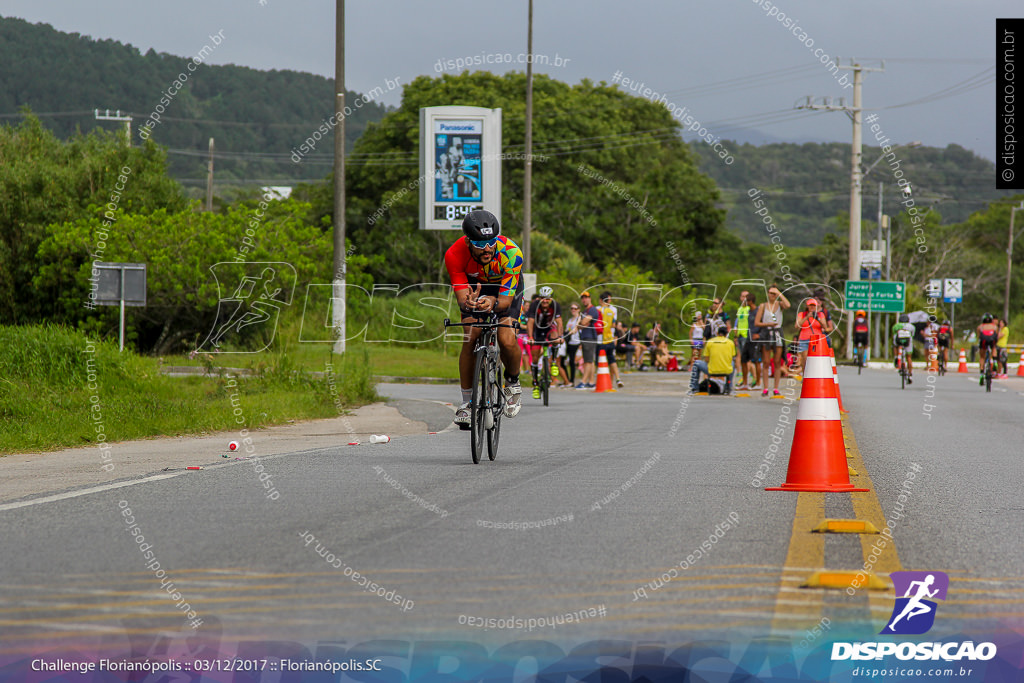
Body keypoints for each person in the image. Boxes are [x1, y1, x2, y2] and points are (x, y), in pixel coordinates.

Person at [444, 210, 524, 428]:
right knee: (471, 337)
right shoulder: (455, 254)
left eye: (491, 242)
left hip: (505, 291)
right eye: (480, 244)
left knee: (507, 339)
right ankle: (467, 403)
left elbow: (505, 303)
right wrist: (468, 303)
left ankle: (513, 383)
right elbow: (462, 298)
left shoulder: (511, 253)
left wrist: (494, 301)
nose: (487, 248)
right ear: (469, 242)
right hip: (475, 290)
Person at [526, 285, 563, 398]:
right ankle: (536, 384)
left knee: (555, 336)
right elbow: (530, 322)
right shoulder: (534, 305)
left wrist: (560, 336)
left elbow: (559, 322)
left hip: (549, 328)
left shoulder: (555, 305)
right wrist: (530, 337)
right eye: (543, 298)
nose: (545, 300)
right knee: (535, 358)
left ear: (551, 298)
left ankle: (553, 363)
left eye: (548, 298)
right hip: (537, 330)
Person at [754, 284, 791, 396]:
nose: (772, 295)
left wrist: (779, 293)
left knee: (777, 361)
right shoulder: (763, 306)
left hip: (777, 333)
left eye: (774, 293)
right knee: (766, 362)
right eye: (771, 293)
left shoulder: (780, 304)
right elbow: (757, 322)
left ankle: (776, 388)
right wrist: (768, 324)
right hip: (766, 332)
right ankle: (765, 387)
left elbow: (788, 305)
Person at [689, 326, 735, 395]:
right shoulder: (730, 343)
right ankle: (729, 387)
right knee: (732, 363)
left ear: (717, 333)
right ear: (726, 334)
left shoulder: (710, 342)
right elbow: (731, 357)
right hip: (726, 370)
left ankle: (694, 388)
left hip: (712, 370)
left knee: (696, 363)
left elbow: (706, 359)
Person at [795, 298, 832, 374]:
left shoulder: (820, 314)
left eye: (814, 306)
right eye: (810, 305)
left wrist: (818, 319)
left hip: (816, 339)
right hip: (804, 339)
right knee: (805, 359)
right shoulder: (802, 314)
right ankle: (805, 376)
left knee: (815, 359)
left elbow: (825, 327)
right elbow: (797, 326)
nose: (812, 307)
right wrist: (807, 317)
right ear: (807, 306)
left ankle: (814, 375)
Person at [597, 292, 623, 388]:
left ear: (600, 300)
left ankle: (605, 381)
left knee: (601, 361)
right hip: (610, 338)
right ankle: (617, 379)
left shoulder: (597, 309)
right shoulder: (613, 310)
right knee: (612, 360)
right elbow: (613, 325)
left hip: (600, 339)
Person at [733, 290, 758, 390]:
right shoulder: (740, 309)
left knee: (748, 359)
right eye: (742, 297)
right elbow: (738, 322)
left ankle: (753, 378)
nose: (744, 299)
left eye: (746, 297)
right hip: (740, 335)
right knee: (741, 357)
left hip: (747, 335)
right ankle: (746, 379)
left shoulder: (749, 309)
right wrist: (735, 336)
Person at [576, 291, 601, 389]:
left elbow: (584, 321)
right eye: (582, 298)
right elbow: (581, 324)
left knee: (588, 361)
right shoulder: (585, 310)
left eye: (586, 297)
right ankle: (591, 382)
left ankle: (584, 381)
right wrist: (581, 324)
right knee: (589, 360)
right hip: (586, 336)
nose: (584, 300)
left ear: (590, 298)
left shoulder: (592, 310)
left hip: (590, 336)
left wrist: (581, 323)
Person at [892, 313, 916, 384]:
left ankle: (896, 357)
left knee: (895, 345)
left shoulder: (896, 325)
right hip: (908, 342)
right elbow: (912, 335)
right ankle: (910, 375)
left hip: (898, 341)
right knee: (909, 357)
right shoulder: (911, 326)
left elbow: (894, 333)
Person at [976, 313, 1000, 383]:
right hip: (992, 338)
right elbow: (997, 336)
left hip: (983, 340)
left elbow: (979, 336)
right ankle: (995, 360)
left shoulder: (980, 327)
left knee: (982, 357)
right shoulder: (995, 326)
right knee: (994, 347)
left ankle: (981, 373)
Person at [564, 302, 582, 387]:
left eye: (575, 308)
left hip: (576, 342)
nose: (573, 310)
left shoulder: (579, 318)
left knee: (572, 361)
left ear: (578, 310)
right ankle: (567, 380)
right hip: (569, 342)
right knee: (566, 361)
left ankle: (572, 380)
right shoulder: (570, 320)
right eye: (572, 308)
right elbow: (567, 330)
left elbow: (576, 328)